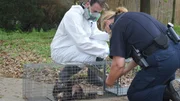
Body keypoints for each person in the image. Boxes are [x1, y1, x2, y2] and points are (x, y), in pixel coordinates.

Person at [101, 7, 180, 101]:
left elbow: (118, 65)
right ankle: (172, 90)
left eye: (107, 31)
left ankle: (170, 91)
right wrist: (126, 71)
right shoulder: (136, 16)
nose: (109, 33)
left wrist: (109, 81)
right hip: (175, 53)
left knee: (135, 94)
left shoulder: (117, 26)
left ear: (107, 22)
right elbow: (141, 53)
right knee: (157, 91)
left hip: (162, 60)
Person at [50, 0, 110, 87]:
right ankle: (64, 76)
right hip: (61, 50)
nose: (96, 14)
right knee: (92, 55)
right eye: (95, 11)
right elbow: (82, 43)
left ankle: (93, 77)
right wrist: (106, 51)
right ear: (87, 4)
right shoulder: (73, 15)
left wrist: (111, 36)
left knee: (102, 45)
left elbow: (93, 33)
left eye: (99, 12)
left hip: (74, 47)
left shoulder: (88, 16)